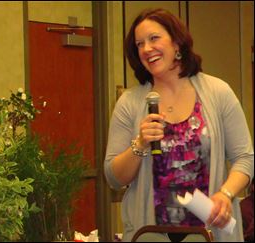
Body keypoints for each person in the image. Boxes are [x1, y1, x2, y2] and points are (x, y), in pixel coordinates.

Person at [104, 8, 254, 242]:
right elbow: (114, 178)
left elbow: (245, 158)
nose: (146, 49)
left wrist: (225, 195)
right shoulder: (130, 103)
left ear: (177, 43)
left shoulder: (218, 92)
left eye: (154, 38)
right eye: (139, 44)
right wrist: (140, 143)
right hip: (151, 234)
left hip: (209, 232)